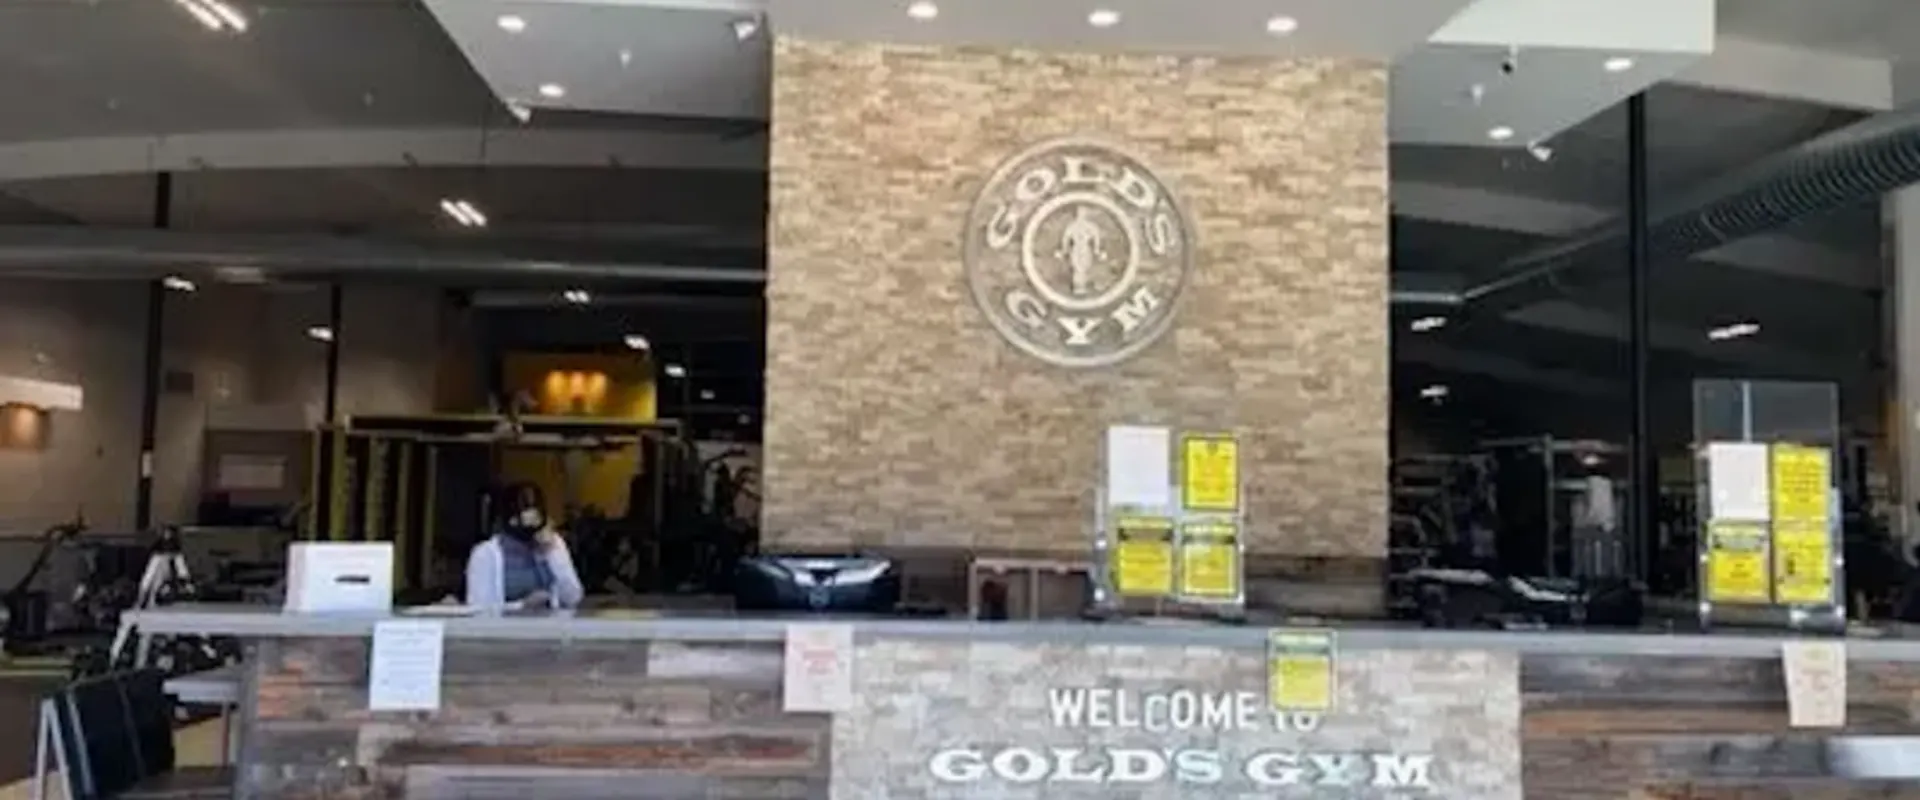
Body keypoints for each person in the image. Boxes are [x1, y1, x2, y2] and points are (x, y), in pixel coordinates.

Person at [465, 483, 584, 609]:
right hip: (507, 627)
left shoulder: (553, 545)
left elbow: (573, 597)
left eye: (536, 517)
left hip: (549, 626)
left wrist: (550, 552)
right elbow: (478, 608)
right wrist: (522, 605)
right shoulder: (485, 554)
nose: (532, 523)